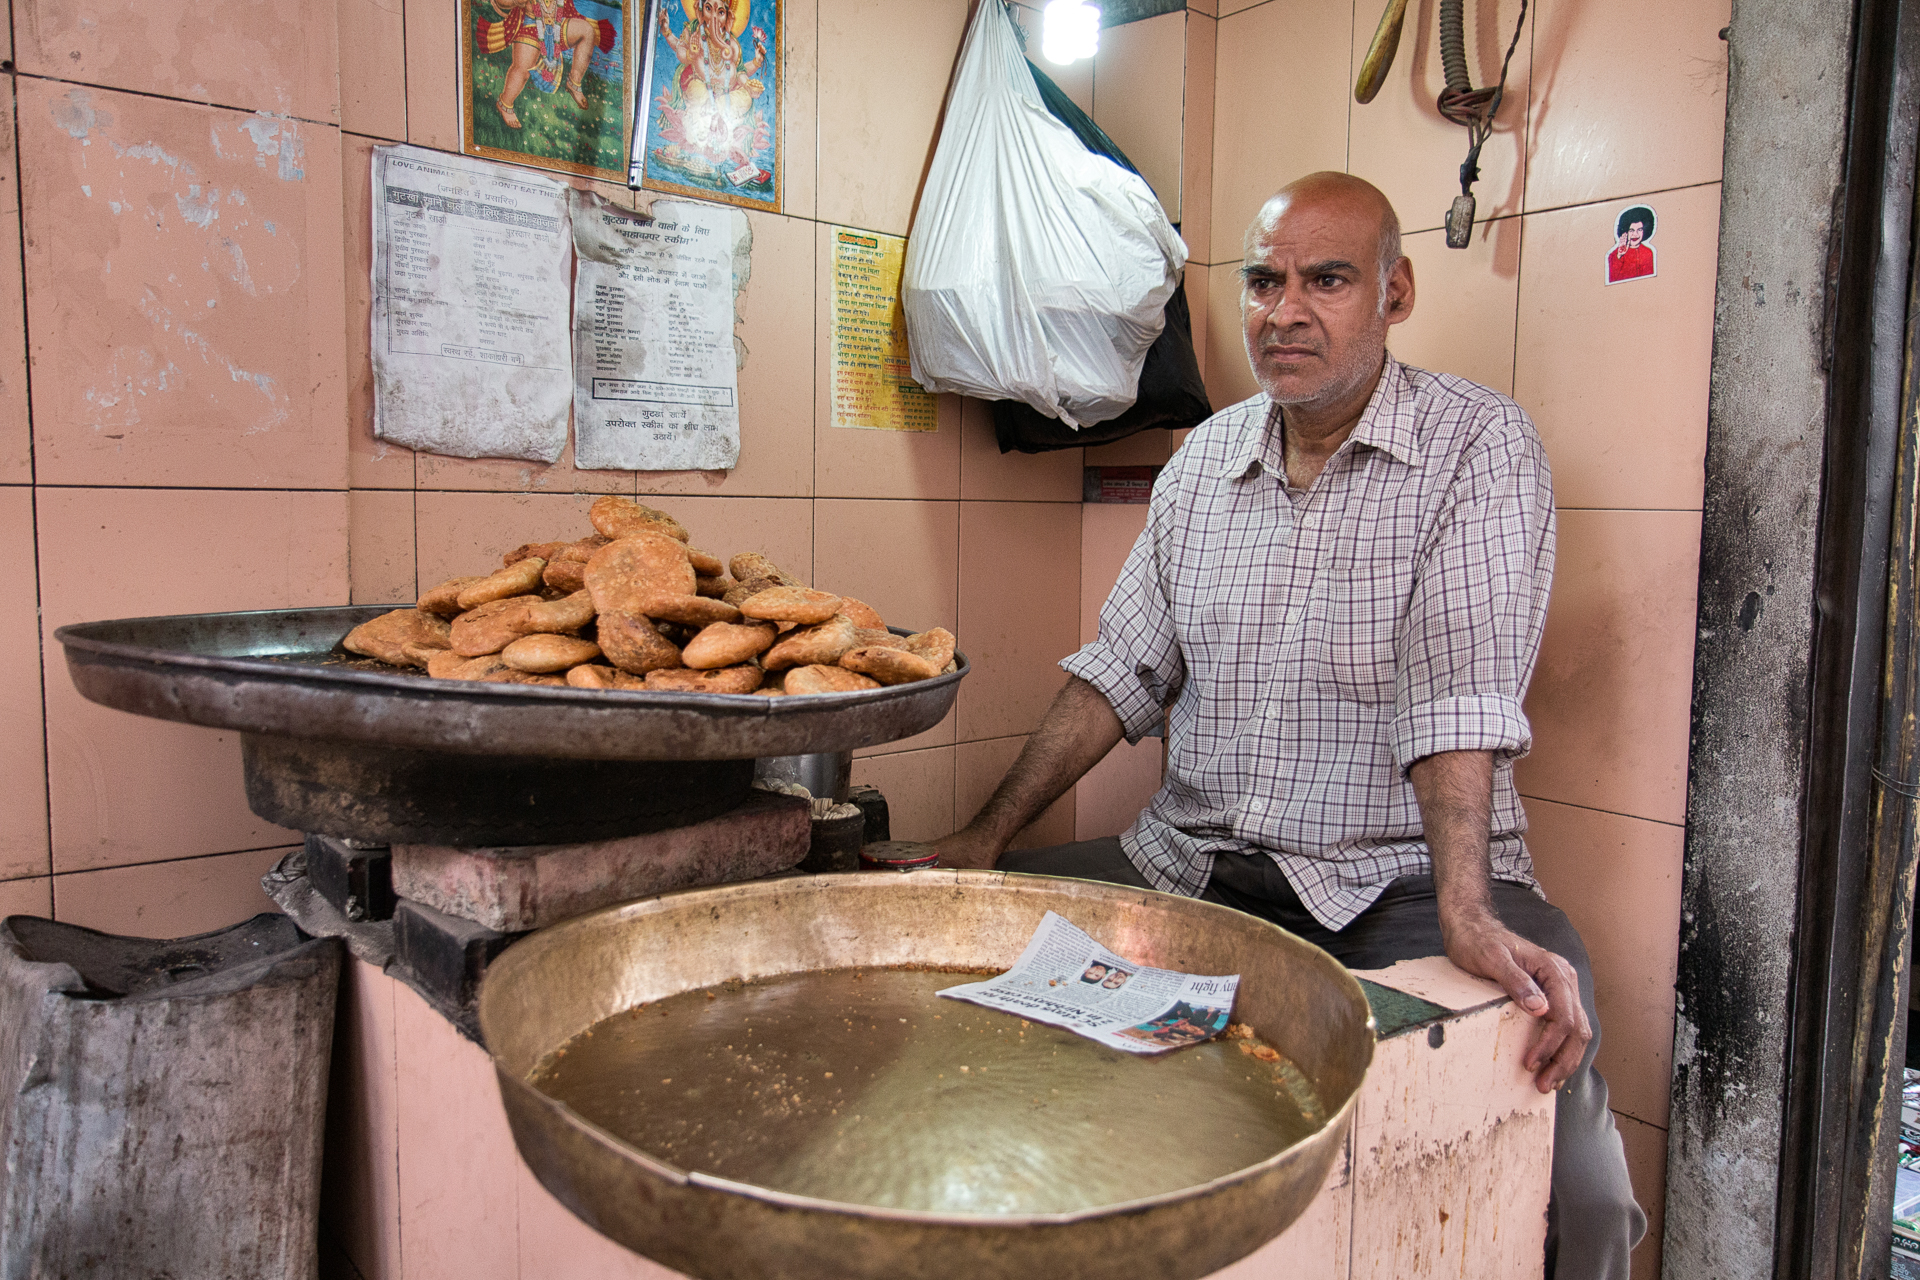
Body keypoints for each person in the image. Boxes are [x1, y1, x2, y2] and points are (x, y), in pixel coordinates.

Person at [934, 171, 1646, 1279]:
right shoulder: (1205, 462)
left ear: (1394, 292)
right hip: (1195, 874)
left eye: (1327, 279)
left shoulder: (1478, 447)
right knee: (959, 977)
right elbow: (1120, 670)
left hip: (1404, 885)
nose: (1285, 310)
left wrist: (1463, 905)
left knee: (1578, 1187)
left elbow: (1458, 692)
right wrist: (983, 837)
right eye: (1265, 280)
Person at [1607, 206, 1656, 283]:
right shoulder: (1615, 255)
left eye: (1639, 230)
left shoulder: (1648, 253)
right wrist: (1619, 256)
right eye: (1631, 230)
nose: (1635, 234)